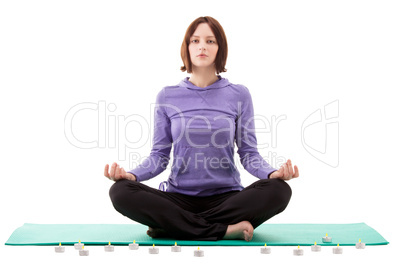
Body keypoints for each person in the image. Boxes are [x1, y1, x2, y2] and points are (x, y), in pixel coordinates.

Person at [105, 16, 299, 241]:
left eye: (210, 41)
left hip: (227, 200)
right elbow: (159, 156)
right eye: (195, 41)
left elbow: (249, 154)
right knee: (120, 192)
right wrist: (131, 175)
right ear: (187, 48)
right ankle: (224, 229)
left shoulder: (239, 94)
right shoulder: (167, 95)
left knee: (279, 190)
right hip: (179, 198)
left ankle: (173, 226)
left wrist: (272, 173)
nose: (202, 47)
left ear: (220, 48)